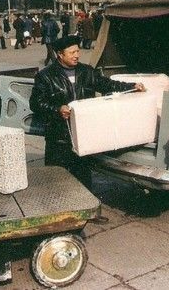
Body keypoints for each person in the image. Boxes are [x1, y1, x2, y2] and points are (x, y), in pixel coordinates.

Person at [30, 35, 145, 190]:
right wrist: (57, 110)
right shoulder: (46, 76)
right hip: (59, 139)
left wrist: (131, 86)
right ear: (60, 54)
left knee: (83, 181)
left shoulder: (87, 72)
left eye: (78, 51)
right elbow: (36, 103)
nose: (77, 55)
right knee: (55, 182)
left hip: (83, 137)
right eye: (72, 52)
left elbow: (107, 84)